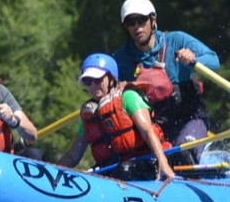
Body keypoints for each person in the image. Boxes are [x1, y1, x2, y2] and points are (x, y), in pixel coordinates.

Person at [112, 0, 220, 162]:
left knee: (184, 156)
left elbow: (214, 61)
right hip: (154, 129)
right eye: (130, 23)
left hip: (190, 119)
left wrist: (194, 61)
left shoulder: (176, 40)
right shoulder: (120, 59)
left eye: (141, 20)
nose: (137, 27)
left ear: (152, 20)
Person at [58, 53, 176, 181]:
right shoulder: (88, 113)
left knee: (124, 170)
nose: (93, 85)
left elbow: (148, 132)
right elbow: (73, 155)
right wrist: (54, 171)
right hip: (114, 169)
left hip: (149, 160)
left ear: (111, 79)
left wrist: (162, 162)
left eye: (98, 80)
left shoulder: (128, 96)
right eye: (88, 81)